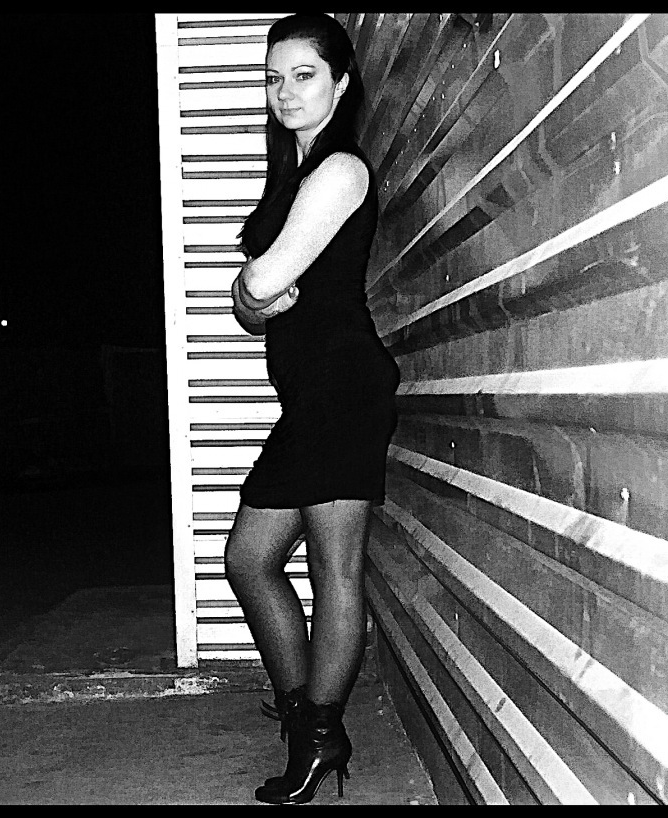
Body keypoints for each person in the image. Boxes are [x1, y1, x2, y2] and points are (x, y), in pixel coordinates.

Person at [225, 12, 400, 805]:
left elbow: (260, 288)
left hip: (341, 391)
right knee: (249, 559)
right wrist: (253, 294)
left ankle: (321, 731)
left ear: (341, 81)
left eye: (303, 75)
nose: (285, 91)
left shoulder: (339, 172)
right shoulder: (292, 174)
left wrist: (251, 289)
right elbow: (254, 308)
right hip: (312, 398)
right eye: (274, 77)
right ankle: (304, 716)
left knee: (334, 567)